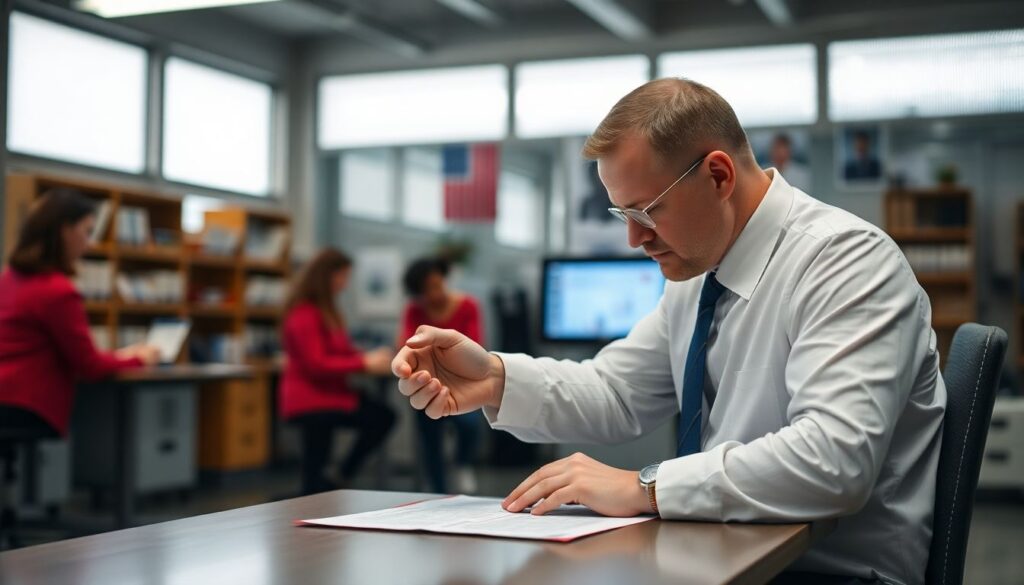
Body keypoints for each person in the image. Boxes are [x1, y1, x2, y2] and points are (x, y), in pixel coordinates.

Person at [393, 78, 944, 585]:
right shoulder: (700, 272)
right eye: (622, 215)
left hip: (830, 573)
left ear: (719, 176)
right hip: (732, 555)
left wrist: (645, 486)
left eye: (647, 212)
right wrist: (494, 378)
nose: (635, 239)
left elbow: (834, 460)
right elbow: (617, 392)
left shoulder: (845, 263)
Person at [0, 189, 160, 437]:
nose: (89, 243)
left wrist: (119, 356)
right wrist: (140, 359)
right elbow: (89, 366)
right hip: (28, 406)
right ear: (65, 231)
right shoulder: (57, 291)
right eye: (87, 232)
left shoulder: (7, 279)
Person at [281, 247, 396, 495]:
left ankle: (333, 480)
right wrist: (364, 363)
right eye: (343, 276)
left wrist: (369, 356)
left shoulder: (327, 311)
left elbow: (340, 350)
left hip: (329, 394)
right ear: (327, 276)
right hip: (311, 398)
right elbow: (317, 364)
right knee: (379, 418)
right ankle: (335, 479)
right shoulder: (304, 313)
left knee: (381, 417)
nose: (345, 283)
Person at [398, 257, 484, 493]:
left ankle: (462, 463)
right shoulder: (414, 310)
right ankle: (438, 491)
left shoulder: (467, 305)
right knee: (430, 439)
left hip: (460, 382)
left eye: (437, 285)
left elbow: (475, 345)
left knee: (470, 425)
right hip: (429, 382)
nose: (435, 294)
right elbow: (406, 343)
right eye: (427, 290)